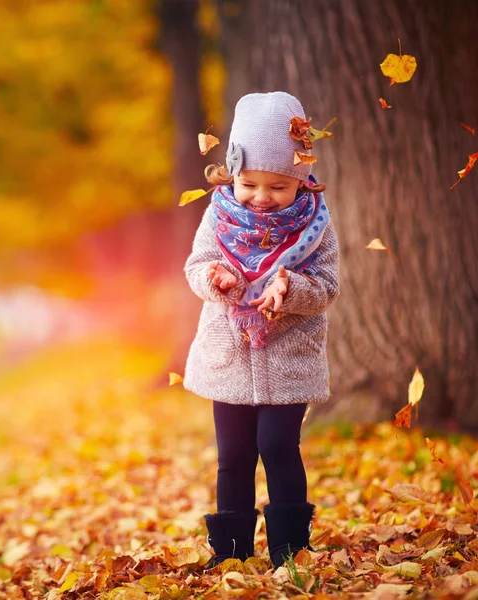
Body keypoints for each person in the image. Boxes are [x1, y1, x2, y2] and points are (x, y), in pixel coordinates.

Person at [182, 91, 340, 568]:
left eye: (278, 187)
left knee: (277, 446)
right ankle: (229, 554)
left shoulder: (314, 226)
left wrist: (291, 290)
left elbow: (327, 285)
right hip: (229, 354)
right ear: (233, 175)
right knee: (233, 455)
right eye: (250, 184)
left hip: (288, 356)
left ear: (301, 180)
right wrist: (219, 280)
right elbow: (198, 266)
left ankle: (290, 550)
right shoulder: (219, 215)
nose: (262, 198)